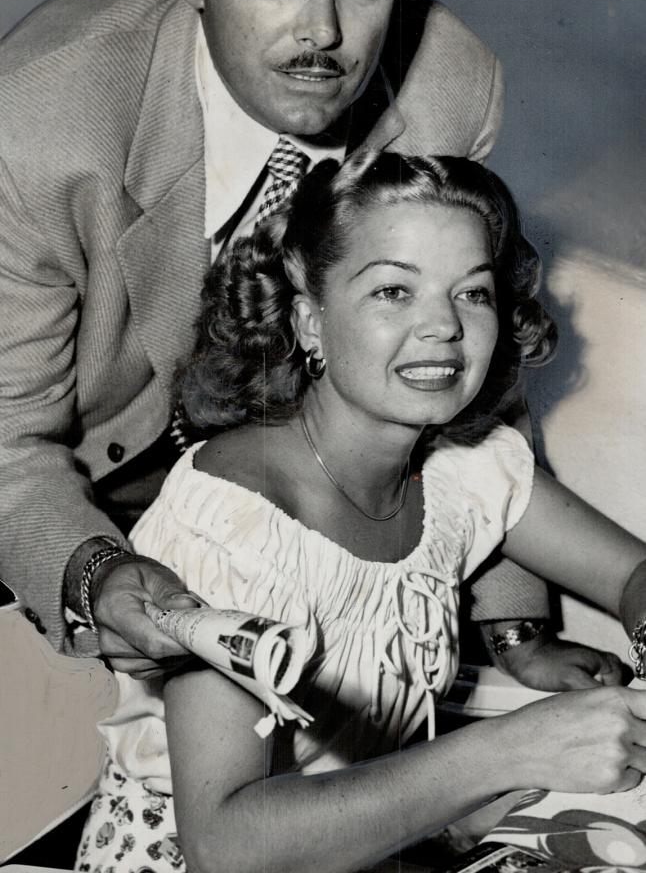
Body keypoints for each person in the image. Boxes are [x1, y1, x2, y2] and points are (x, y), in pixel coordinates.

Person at [0, 0, 611, 688]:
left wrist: (514, 634)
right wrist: (94, 573)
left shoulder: (446, 88)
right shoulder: (38, 120)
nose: (321, 31)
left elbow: (453, 368)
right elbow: (8, 439)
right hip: (78, 479)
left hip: (286, 484)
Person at [75, 150, 646, 873]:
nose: (443, 325)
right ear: (310, 321)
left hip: (370, 843)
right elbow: (226, 848)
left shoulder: (466, 468)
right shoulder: (234, 522)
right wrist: (508, 750)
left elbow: (633, 575)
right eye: (392, 292)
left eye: (472, 293)